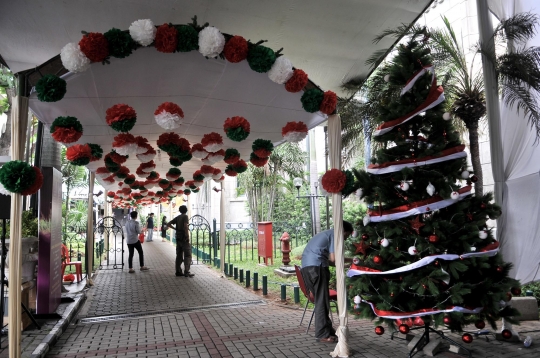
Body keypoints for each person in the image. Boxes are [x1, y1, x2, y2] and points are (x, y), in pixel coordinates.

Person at [300, 221, 354, 343]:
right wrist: (351, 259)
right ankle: (322, 334)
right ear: (344, 231)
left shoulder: (326, 234)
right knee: (322, 302)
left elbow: (330, 260)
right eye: (347, 236)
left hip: (307, 268)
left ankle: (328, 330)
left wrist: (345, 264)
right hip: (318, 268)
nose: (345, 239)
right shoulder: (335, 235)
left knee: (321, 301)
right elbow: (334, 258)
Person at [167, 205, 193, 277]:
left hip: (178, 238)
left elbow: (168, 223)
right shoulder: (185, 217)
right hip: (184, 238)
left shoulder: (178, 217)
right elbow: (185, 226)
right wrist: (187, 236)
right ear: (186, 210)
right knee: (187, 255)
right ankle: (186, 271)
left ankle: (178, 271)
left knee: (179, 255)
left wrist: (175, 229)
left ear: (180, 210)